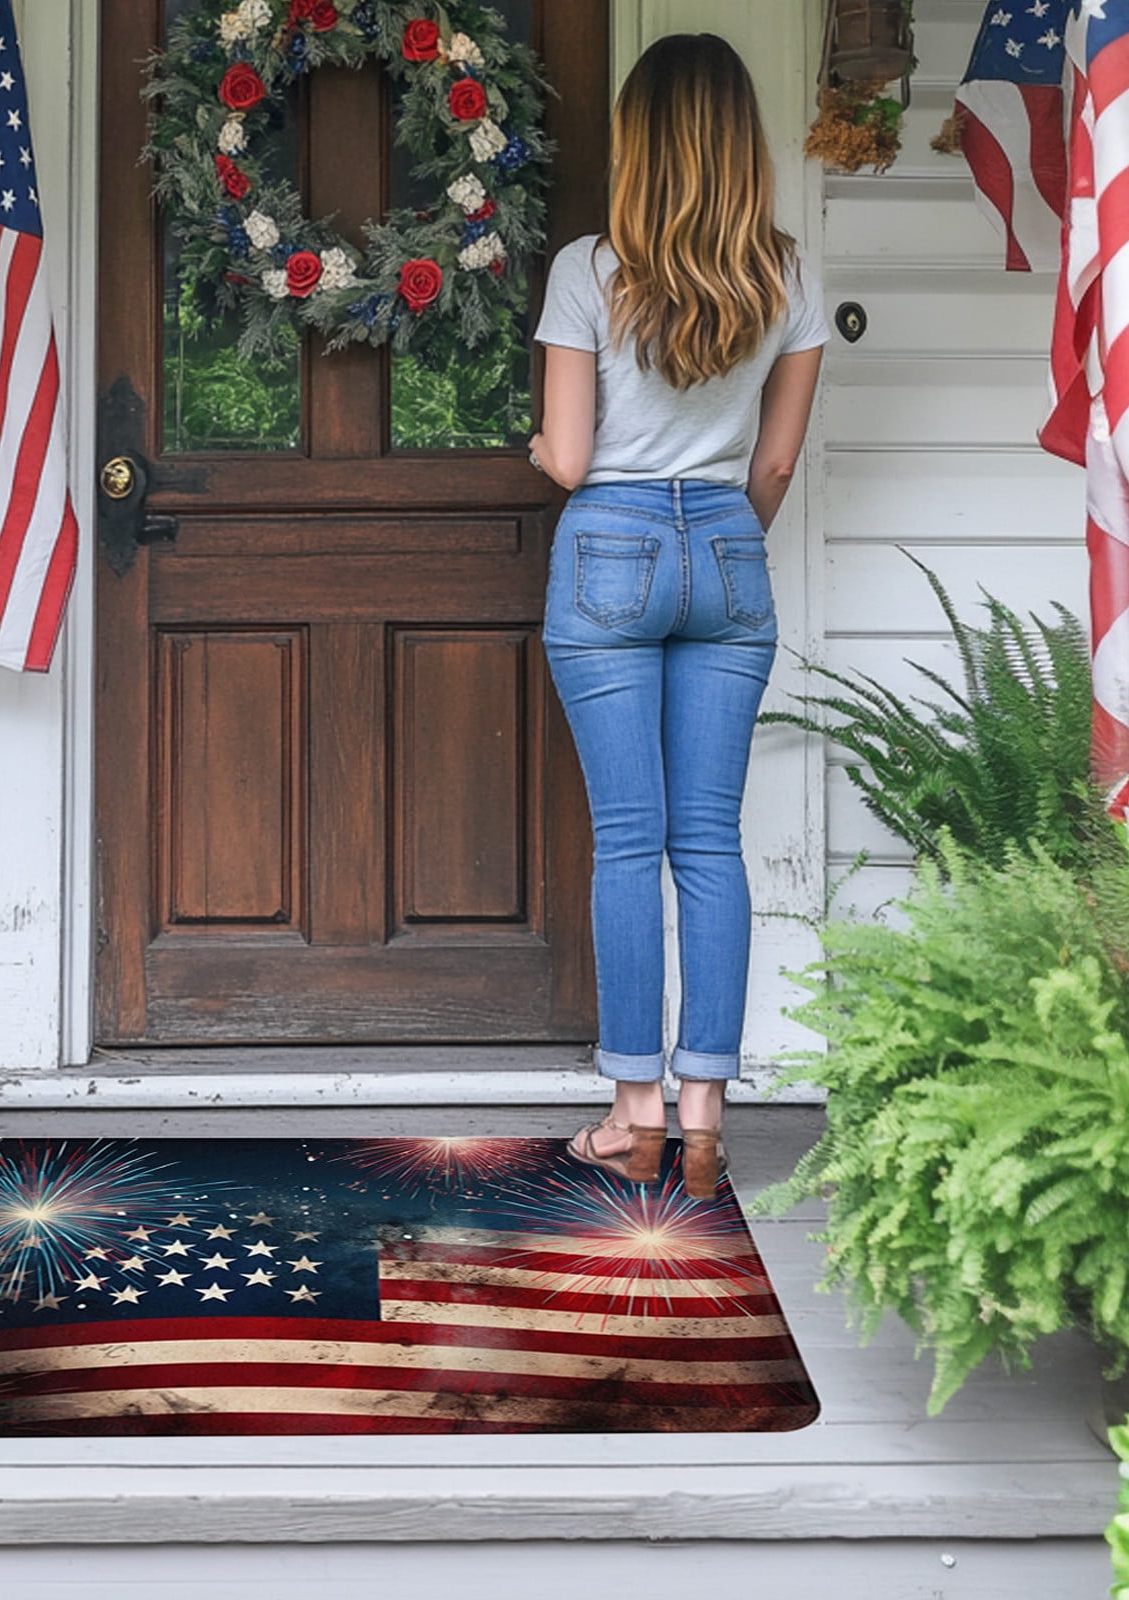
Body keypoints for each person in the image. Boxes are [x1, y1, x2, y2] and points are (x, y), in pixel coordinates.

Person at [527, 32, 828, 1201]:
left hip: (608, 548)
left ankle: (631, 1112)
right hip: (726, 546)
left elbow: (567, 459)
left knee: (627, 840)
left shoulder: (585, 271)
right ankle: (702, 1121)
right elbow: (776, 464)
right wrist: (719, 530)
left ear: (639, 142)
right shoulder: (789, 276)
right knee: (708, 841)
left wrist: (543, 447)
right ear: (741, 144)